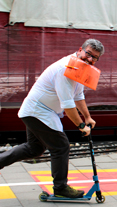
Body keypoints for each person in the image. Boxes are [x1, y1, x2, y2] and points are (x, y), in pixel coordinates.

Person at [0, 39, 104, 198]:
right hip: (38, 111)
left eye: (94, 57)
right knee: (61, 146)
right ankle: (60, 188)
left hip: (41, 111)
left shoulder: (81, 67)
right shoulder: (65, 69)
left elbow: (78, 95)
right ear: (80, 50)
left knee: (34, 149)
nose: (90, 59)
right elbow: (68, 105)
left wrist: (88, 117)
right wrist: (81, 125)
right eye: (88, 54)